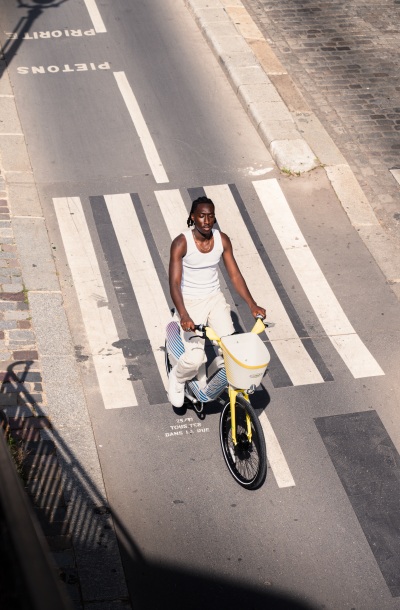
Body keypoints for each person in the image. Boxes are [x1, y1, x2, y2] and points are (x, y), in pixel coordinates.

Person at [168, 196, 266, 408]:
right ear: (192, 217)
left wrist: (252, 304)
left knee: (231, 351)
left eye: (210, 216)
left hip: (214, 299)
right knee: (194, 358)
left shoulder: (222, 240)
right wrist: (184, 315)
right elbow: (174, 284)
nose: (206, 220)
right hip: (190, 303)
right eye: (201, 216)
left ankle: (216, 384)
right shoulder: (181, 243)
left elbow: (235, 276)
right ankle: (177, 378)